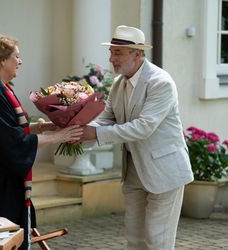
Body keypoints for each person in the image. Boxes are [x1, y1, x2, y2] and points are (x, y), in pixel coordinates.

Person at [0, 34, 83, 250]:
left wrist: (43, 127)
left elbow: (7, 130)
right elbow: (12, 141)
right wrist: (58, 137)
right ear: (2, 60)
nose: (20, 61)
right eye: (16, 57)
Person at [81, 25, 194, 249]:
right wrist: (76, 127)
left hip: (165, 171)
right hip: (133, 171)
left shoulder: (160, 82)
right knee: (134, 240)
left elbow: (143, 127)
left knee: (157, 240)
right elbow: (106, 118)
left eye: (118, 53)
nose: (112, 58)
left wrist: (95, 133)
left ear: (138, 53)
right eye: (111, 52)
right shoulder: (118, 84)